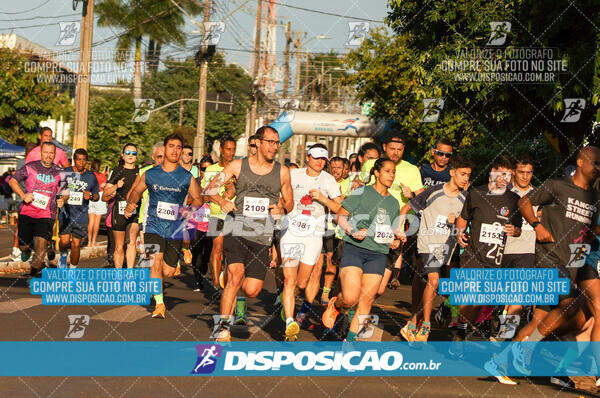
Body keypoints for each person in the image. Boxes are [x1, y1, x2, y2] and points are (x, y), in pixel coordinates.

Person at [508, 146, 600, 376]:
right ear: (580, 162)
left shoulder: (593, 197)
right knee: (571, 306)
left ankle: (504, 361)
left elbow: (593, 227)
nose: (598, 169)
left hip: (570, 265)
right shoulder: (557, 186)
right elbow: (524, 202)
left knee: (542, 319)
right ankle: (528, 350)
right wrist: (537, 226)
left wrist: (591, 234)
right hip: (548, 258)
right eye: (595, 163)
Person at [206, 126, 293, 342]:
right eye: (270, 142)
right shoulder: (238, 166)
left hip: (262, 235)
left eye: (277, 143)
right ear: (259, 143)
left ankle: (233, 287)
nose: (274, 146)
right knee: (235, 278)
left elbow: (290, 202)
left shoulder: (282, 172)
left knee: (252, 290)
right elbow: (209, 189)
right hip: (236, 228)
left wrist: (282, 208)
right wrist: (222, 200)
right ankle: (223, 328)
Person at [321, 158, 402, 342]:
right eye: (388, 171)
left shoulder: (394, 203)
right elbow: (340, 216)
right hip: (355, 249)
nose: (391, 175)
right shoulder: (362, 192)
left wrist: (396, 239)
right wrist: (353, 231)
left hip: (378, 254)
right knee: (349, 298)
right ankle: (336, 304)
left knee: (366, 299)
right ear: (377, 173)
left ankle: (349, 341)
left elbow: (390, 230)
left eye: (393, 172)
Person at [124, 133, 202, 318]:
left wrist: (190, 210)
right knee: (155, 262)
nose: (175, 150)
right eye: (171, 146)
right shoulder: (151, 174)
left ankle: (159, 283)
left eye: (178, 147)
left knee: (168, 270)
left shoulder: (186, 177)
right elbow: (136, 192)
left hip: (174, 229)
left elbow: (198, 198)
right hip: (153, 226)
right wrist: (131, 204)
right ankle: (159, 304)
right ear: (164, 149)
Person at [399, 156, 472, 343]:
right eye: (462, 174)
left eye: (468, 175)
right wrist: (400, 230)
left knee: (433, 283)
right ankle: (426, 325)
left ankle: (414, 321)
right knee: (433, 280)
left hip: (447, 248)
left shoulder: (466, 198)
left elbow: (464, 226)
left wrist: (456, 223)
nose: (465, 179)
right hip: (428, 243)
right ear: (452, 172)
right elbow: (406, 208)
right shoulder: (433, 192)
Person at [454, 155, 522, 344]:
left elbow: (518, 229)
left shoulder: (515, 200)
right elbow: (463, 218)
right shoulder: (476, 193)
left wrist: (514, 230)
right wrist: (459, 233)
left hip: (495, 260)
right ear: (492, 173)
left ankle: (461, 323)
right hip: (473, 254)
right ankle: (460, 333)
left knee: (478, 303)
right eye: (500, 174)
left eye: (508, 176)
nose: (503, 180)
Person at [279, 144, 343, 341]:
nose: (320, 162)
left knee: (302, 282)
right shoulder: (294, 175)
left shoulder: (328, 180)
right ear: (308, 157)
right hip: (291, 232)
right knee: (290, 280)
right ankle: (290, 322)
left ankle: (288, 302)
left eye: (323, 159)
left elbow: (340, 207)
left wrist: (323, 198)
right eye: (316, 158)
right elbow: (281, 195)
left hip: (314, 235)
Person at [8, 142, 67, 278]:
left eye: (51, 153)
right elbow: (12, 180)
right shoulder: (30, 167)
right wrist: (23, 195)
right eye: (46, 152)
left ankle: (34, 272)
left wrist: (62, 199)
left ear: (55, 155)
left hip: (47, 214)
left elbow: (66, 191)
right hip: (27, 212)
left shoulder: (60, 172)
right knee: (24, 246)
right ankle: (26, 250)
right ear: (41, 153)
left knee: (41, 243)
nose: (48, 156)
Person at [202, 136, 236, 293]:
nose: (231, 153)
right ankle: (215, 284)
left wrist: (234, 186)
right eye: (228, 149)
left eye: (233, 149)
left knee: (229, 251)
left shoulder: (238, 169)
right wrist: (218, 199)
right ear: (221, 150)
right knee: (218, 246)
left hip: (233, 215)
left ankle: (226, 281)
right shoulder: (211, 170)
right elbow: (205, 194)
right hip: (216, 214)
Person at [58, 149, 99, 268]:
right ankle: (63, 255)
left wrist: (90, 196)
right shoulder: (66, 172)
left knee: (76, 244)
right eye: (78, 160)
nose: (81, 163)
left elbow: (96, 196)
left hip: (81, 214)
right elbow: (58, 190)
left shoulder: (91, 176)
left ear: (87, 161)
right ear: (74, 160)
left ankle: (72, 270)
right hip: (66, 212)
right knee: (64, 241)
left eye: (84, 160)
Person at [103, 143, 140, 269]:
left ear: (136, 156)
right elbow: (105, 194)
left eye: (134, 153)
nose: (131, 155)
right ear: (123, 155)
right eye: (128, 153)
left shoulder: (139, 172)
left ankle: (129, 273)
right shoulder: (117, 171)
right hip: (118, 211)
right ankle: (119, 275)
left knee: (131, 241)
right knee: (119, 247)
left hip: (134, 210)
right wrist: (115, 186)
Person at [188, 155, 216, 291]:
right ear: (200, 170)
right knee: (196, 250)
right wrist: (199, 198)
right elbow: (187, 200)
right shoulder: (194, 182)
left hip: (211, 223)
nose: (205, 171)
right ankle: (198, 280)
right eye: (204, 168)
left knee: (208, 253)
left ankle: (204, 267)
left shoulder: (217, 183)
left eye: (209, 169)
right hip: (195, 222)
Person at [135, 143, 165, 264]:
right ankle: (147, 279)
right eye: (159, 157)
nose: (162, 160)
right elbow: (134, 192)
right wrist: (131, 203)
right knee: (148, 254)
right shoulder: (144, 172)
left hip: (166, 218)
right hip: (147, 218)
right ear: (153, 157)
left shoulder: (173, 173)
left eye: (164, 157)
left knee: (161, 259)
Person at [87, 159, 107, 247]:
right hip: (100, 196)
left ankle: (89, 242)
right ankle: (94, 241)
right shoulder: (102, 176)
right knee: (97, 221)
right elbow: (105, 184)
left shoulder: (89, 175)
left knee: (91, 221)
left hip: (91, 195)